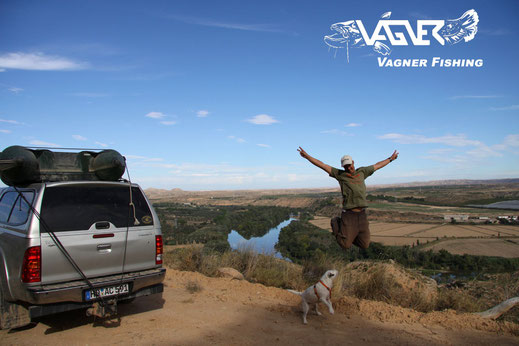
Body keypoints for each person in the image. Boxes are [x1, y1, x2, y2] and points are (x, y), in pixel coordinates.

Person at [297, 147, 398, 250]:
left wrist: (390, 159)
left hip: (362, 214)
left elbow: (377, 165)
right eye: (346, 166)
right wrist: (307, 157)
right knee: (345, 245)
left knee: (365, 245)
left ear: (353, 163)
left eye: (349, 165)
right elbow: (323, 165)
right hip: (349, 215)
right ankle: (336, 222)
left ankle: (350, 234)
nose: (348, 168)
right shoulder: (340, 175)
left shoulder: (362, 172)